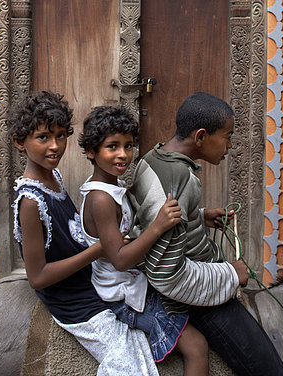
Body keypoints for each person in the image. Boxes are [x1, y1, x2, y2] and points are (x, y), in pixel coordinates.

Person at [128, 92, 283, 376]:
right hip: (189, 300)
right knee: (270, 369)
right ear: (201, 136)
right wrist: (230, 274)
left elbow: (158, 218)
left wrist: (199, 217)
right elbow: (166, 275)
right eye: (227, 137)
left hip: (195, 275)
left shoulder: (152, 158)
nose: (229, 146)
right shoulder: (181, 181)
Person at [9, 90, 162, 376]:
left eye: (60, 135)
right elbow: (37, 277)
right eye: (43, 137)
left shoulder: (53, 178)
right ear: (20, 142)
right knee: (130, 367)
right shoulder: (30, 201)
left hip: (88, 281)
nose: (54, 146)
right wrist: (96, 251)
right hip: (72, 301)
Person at [78, 104, 209, 376]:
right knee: (197, 346)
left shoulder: (113, 187)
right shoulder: (101, 199)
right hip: (120, 295)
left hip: (131, 282)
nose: (123, 154)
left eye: (128, 145)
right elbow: (120, 259)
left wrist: (203, 216)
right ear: (91, 151)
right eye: (112, 147)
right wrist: (158, 227)